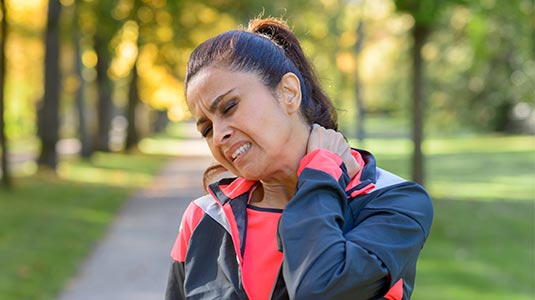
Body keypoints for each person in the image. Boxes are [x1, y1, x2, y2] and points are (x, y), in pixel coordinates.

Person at [165, 17, 433, 300]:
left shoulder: (393, 202)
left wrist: (320, 174)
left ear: (288, 93)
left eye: (229, 107)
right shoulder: (203, 218)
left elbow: (319, 288)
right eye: (206, 129)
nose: (218, 135)